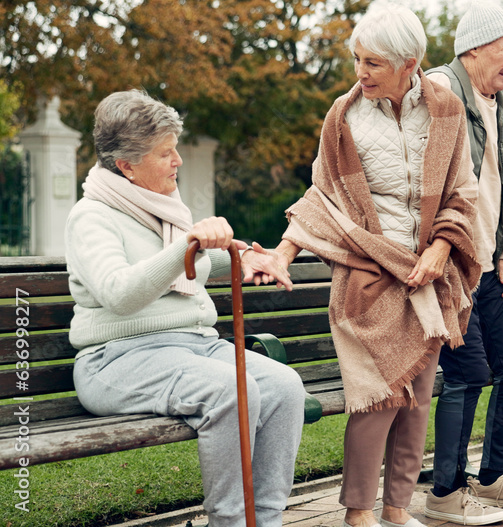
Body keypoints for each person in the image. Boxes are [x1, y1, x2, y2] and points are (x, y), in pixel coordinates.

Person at [242, 5, 481, 527]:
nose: (360, 72)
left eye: (373, 63)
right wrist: (283, 252)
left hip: (426, 274)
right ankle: (358, 513)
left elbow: (463, 191)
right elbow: (323, 195)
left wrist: (441, 249)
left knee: (417, 397)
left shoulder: (446, 108)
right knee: (377, 398)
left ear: (409, 63)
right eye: (357, 59)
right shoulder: (342, 117)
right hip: (367, 274)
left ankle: (397, 507)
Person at [67, 90, 304, 527]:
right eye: (165, 153)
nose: (178, 161)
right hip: (117, 359)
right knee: (231, 390)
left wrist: (243, 257)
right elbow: (119, 293)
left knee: (284, 387)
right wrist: (186, 245)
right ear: (127, 166)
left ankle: (265, 521)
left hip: (193, 346)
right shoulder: (92, 216)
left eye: (176, 149)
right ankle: (231, 523)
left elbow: (191, 259)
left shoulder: (157, 206)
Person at [421, 4, 503, 524]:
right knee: (469, 374)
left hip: (488, 264)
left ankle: (493, 479)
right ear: (474, 47)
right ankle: (445, 493)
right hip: (451, 266)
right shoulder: (439, 91)